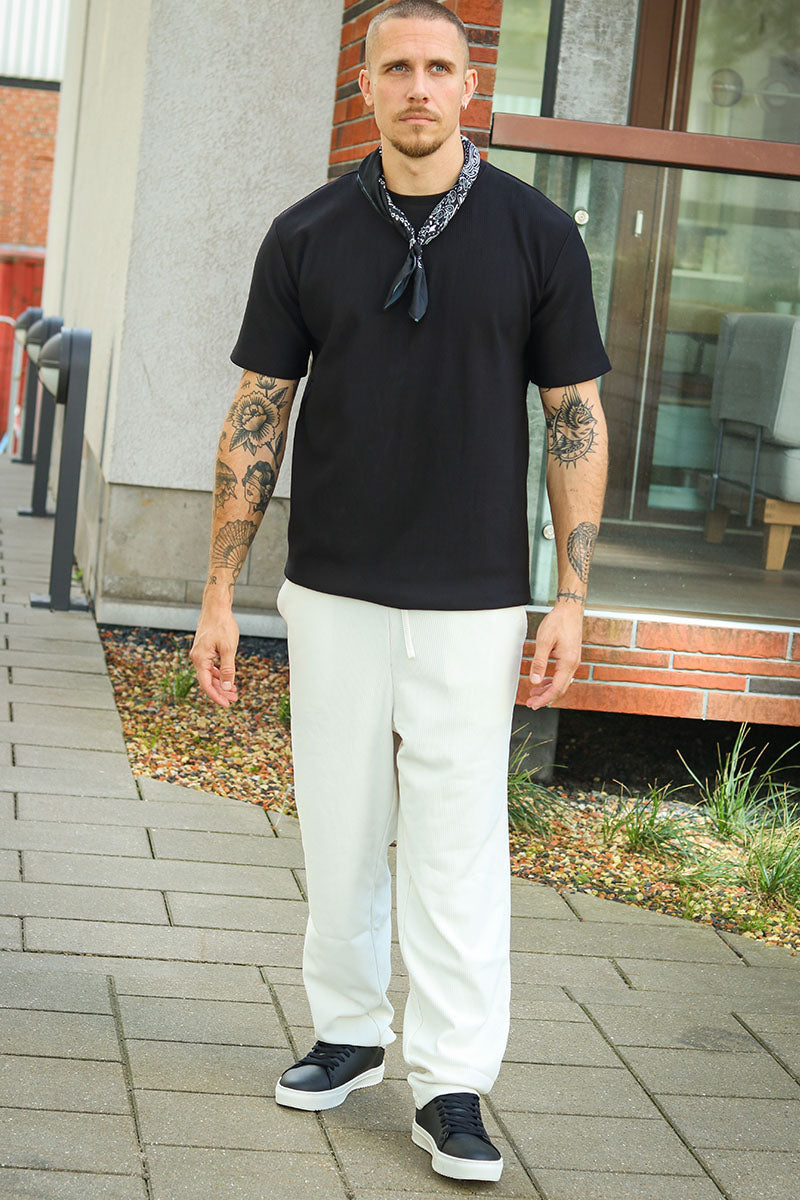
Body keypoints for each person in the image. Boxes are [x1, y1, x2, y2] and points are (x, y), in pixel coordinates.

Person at [190, 0, 609, 1183]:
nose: (417, 87)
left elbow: (573, 418)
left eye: (437, 67)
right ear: (364, 86)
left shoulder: (536, 234)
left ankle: (452, 1084)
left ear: (468, 87)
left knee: (455, 842)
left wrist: (569, 597)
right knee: (338, 820)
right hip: (332, 585)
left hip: (473, 596)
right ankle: (347, 1032)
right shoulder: (306, 233)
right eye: (395, 68)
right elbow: (256, 413)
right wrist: (218, 590)